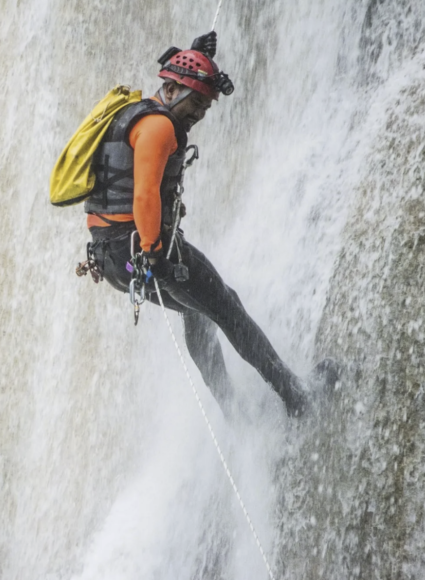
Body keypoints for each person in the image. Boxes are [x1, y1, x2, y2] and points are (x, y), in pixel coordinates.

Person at [83, 32, 335, 417]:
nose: (199, 113)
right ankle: (297, 399)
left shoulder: (131, 114)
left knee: (198, 313)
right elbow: (145, 195)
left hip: (112, 257)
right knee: (228, 308)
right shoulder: (159, 127)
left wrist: (198, 56)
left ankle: (234, 415)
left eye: (206, 106)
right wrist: (155, 255)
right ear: (169, 88)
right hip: (140, 248)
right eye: (196, 103)